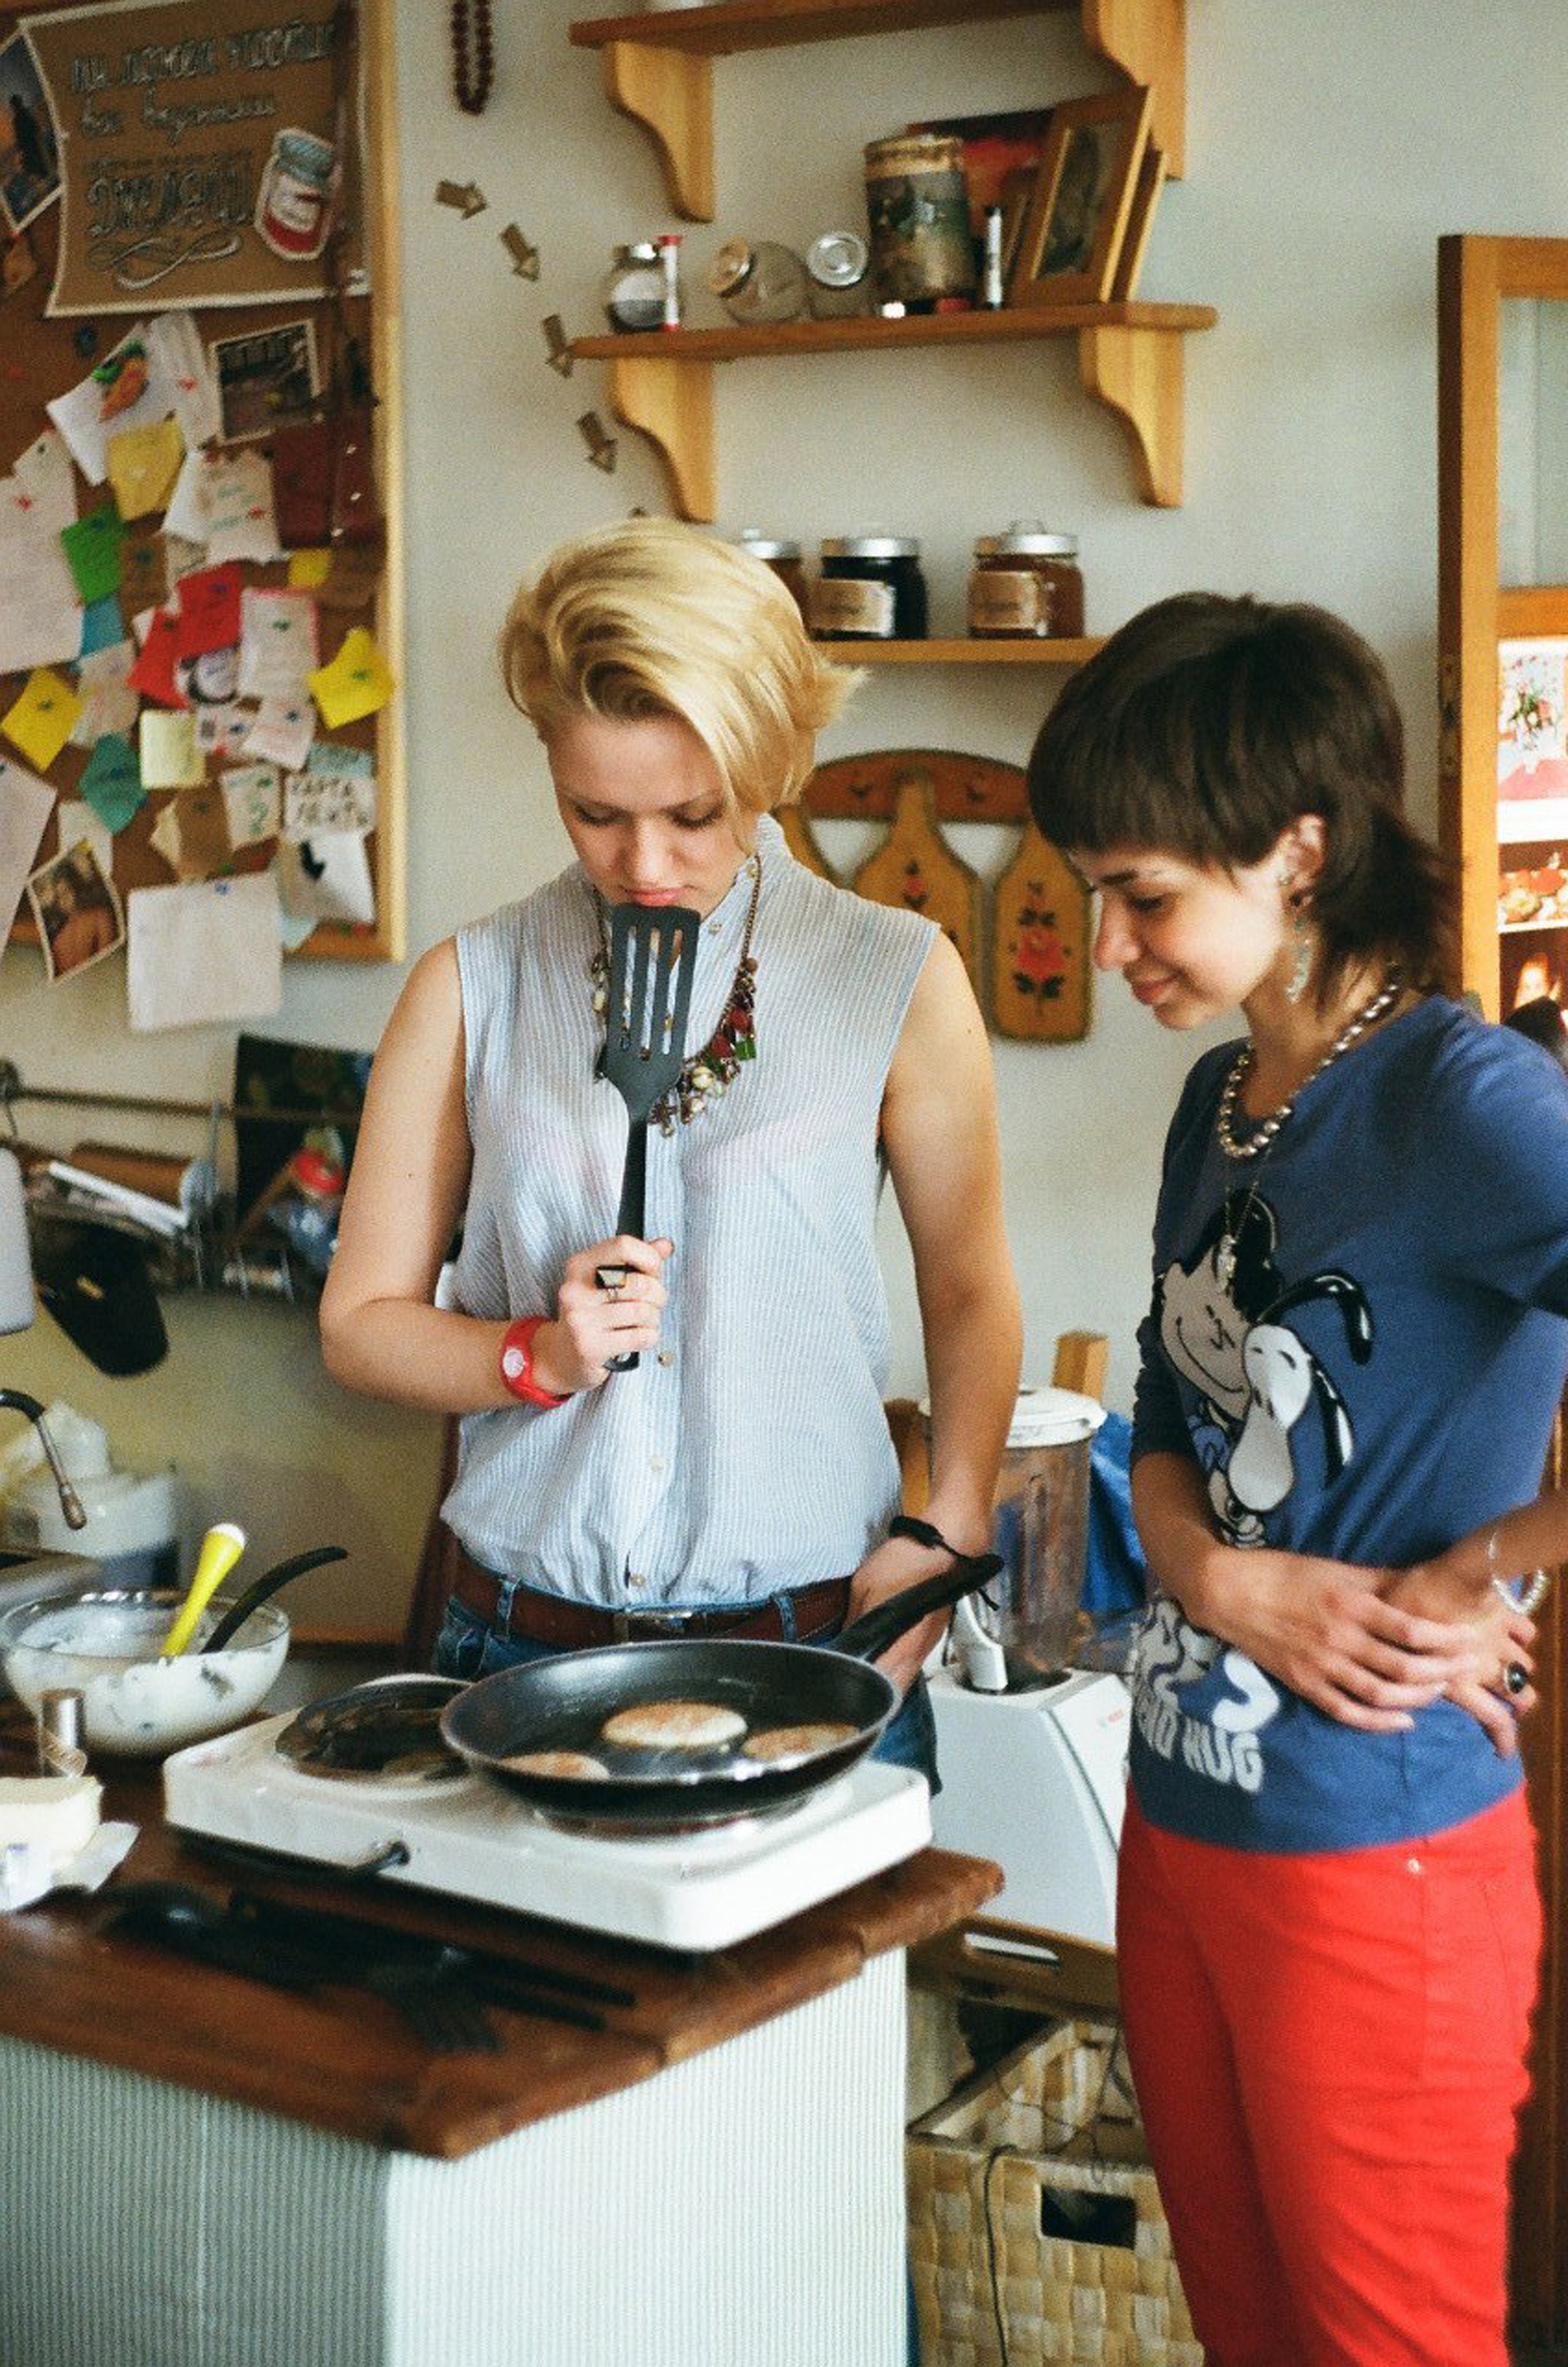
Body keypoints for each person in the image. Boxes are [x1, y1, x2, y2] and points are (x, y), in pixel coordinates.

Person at [1025, 591, 1568, 2367]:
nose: (1107, 941)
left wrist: (1487, 1559)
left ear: (1300, 851)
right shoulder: (1220, 1102)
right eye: (1094, 891)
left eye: (1142, 893)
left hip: (1374, 1856)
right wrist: (1213, 1574)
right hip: (1184, 1823)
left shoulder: (1460, 1100)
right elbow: (1164, 1416)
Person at [321, 517, 1022, 1781]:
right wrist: (532, 1356)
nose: (644, 864)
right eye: (595, 813)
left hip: (821, 1645)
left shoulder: (894, 977)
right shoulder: (472, 986)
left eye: (695, 814)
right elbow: (360, 1324)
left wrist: (947, 1530)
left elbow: (968, 1290)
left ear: (776, 760)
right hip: (519, 1651)